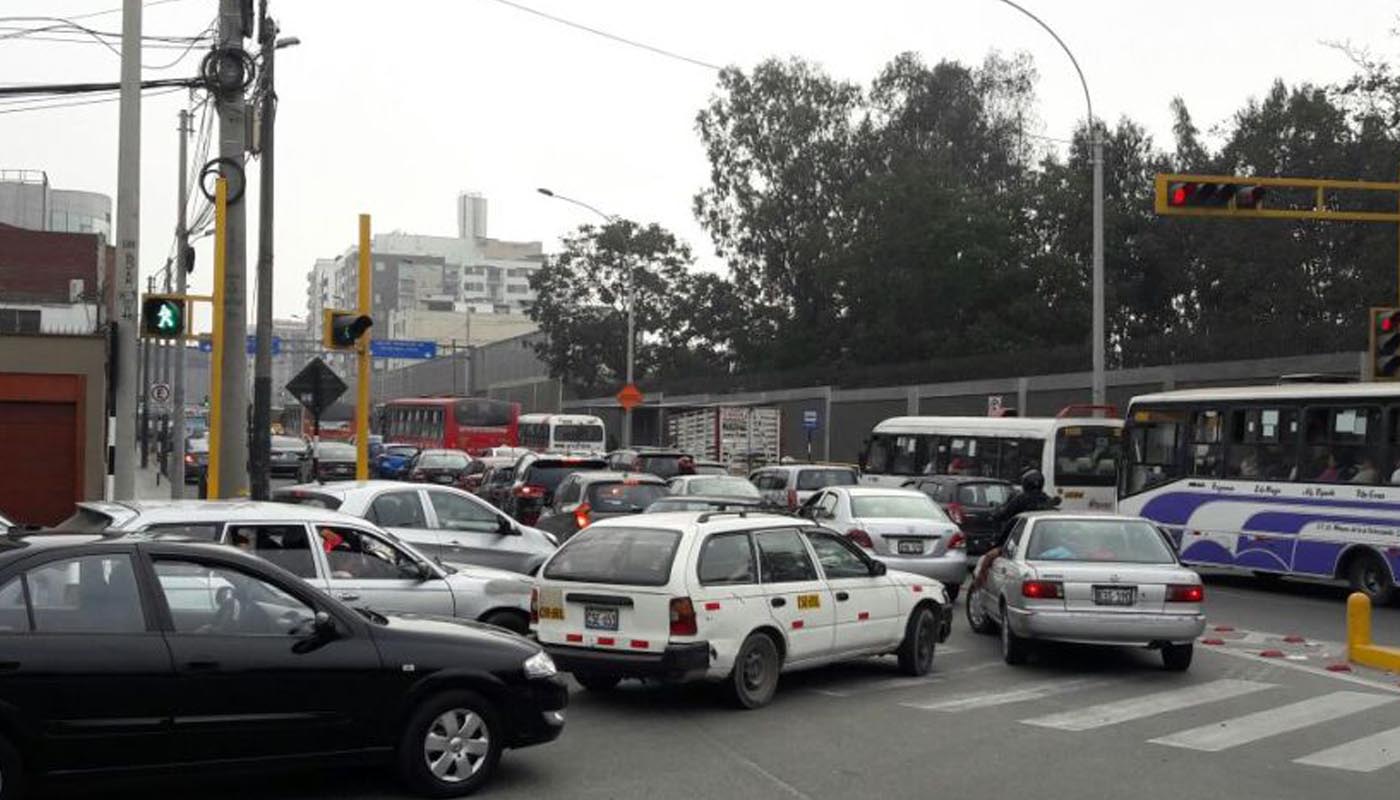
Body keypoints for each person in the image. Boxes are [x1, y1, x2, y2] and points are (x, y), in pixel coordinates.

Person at [971, 469, 1057, 590]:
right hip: (1046, 544)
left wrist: (995, 512)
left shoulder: (1020, 499)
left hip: (1017, 542)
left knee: (988, 558)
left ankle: (979, 586)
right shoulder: (1046, 499)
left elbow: (1002, 514)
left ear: (1025, 483)